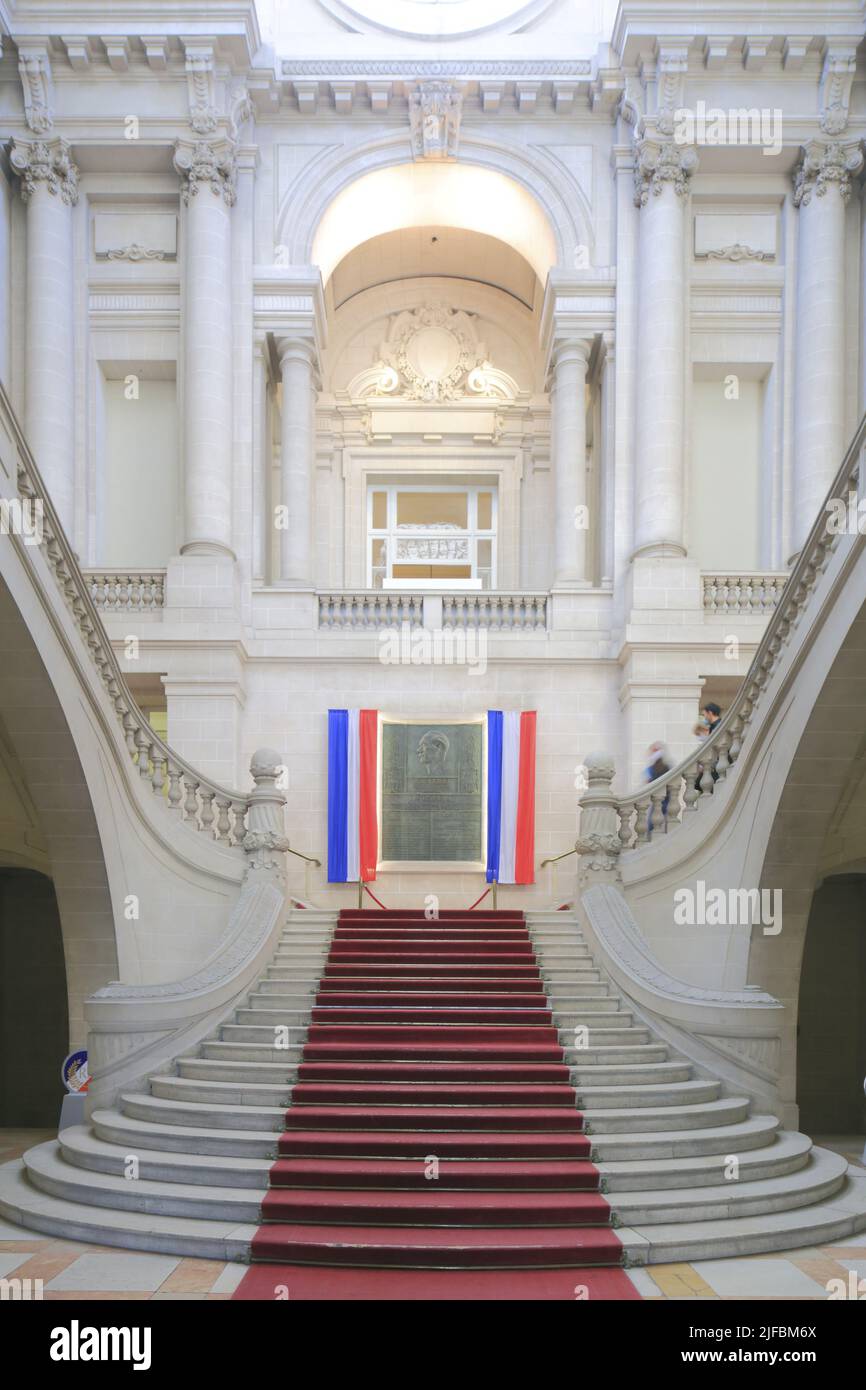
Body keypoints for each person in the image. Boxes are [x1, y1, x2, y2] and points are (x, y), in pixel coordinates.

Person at [645, 741, 671, 834]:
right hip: (662, 799)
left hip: (663, 800)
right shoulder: (654, 768)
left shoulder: (664, 767)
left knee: (653, 825)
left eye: (654, 751)